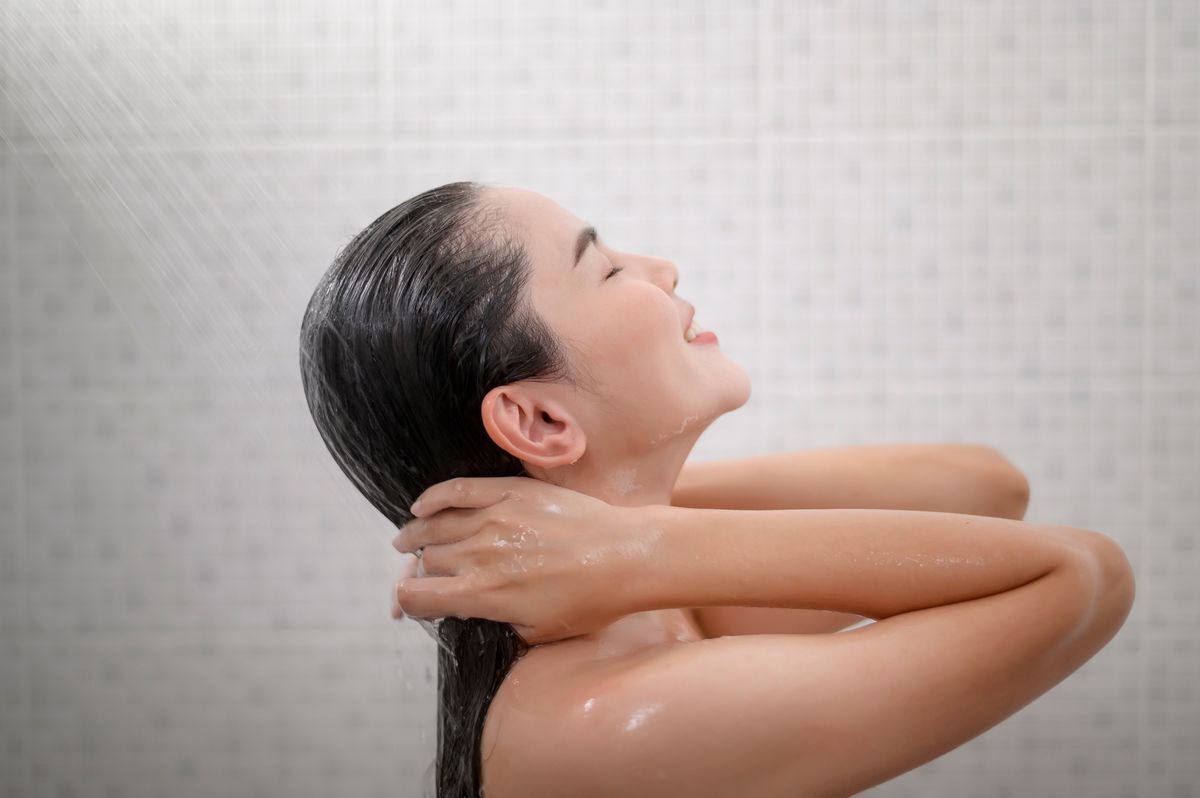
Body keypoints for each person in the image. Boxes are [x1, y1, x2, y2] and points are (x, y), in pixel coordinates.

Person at [301, 181, 1135, 797]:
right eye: (606, 268)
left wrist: (628, 531)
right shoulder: (603, 722)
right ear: (541, 422)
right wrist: (637, 543)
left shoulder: (651, 606)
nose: (660, 268)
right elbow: (1083, 575)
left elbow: (987, 488)